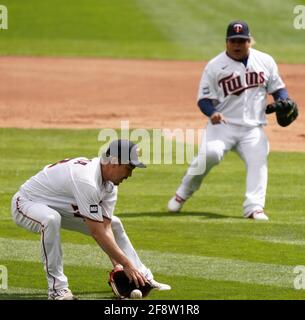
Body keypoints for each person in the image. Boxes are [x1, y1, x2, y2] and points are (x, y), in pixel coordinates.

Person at [11, 139, 171, 300]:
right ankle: (57, 290)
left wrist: (119, 267)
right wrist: (126, 264)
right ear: (114, 162)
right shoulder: (87, 180)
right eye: (128, 168)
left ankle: (142, 277)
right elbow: (97, 232)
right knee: (51, 219)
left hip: (58, 207)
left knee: (114, 223)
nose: (130, 174)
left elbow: (106, 229)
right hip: (26, 203)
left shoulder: (109, 185)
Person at [168, 20, 295, 221]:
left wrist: (283, 100)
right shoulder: (214, 66)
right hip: (222, 126)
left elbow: (278, 88)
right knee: (210, 154)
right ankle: (182, 193)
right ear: (226, 42)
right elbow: (203, 99)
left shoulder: (265, 61)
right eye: (233, 41)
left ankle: (254, 208)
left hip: (253, 128)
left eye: (242, 41)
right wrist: (212, 113)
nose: (237, 45)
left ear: (249, 42)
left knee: (258, 159)